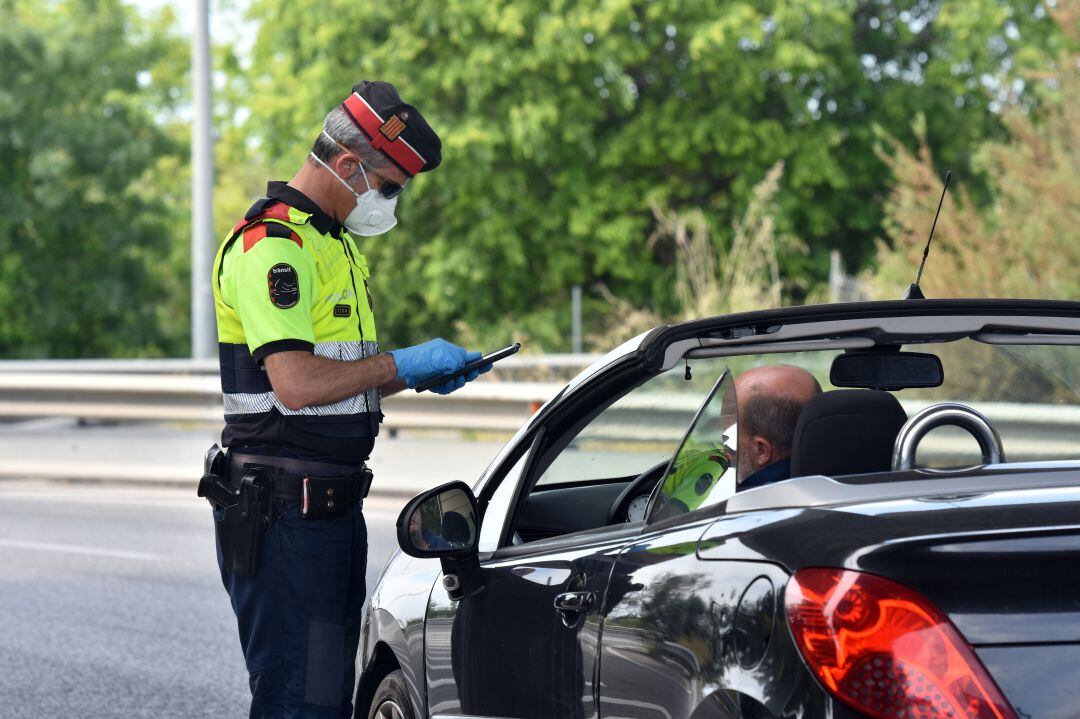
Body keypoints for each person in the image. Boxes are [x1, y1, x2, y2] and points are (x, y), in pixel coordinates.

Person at [208, 80, 488, 718]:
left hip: (325, 513)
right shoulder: (272, 246)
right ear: (346, 165)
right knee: (299, 703)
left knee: (326, 698)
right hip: (282, 514)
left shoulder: (331, 244)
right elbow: (297, 384)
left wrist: (407, 376)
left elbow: (337, 374)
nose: (390, 202)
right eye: (389, 187)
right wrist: (399, 362)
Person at [734, 365, 821, 490]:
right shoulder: (853, 476)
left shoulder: (744, 506)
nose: (726, 453)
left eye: (728, 440)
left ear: (761, 450)